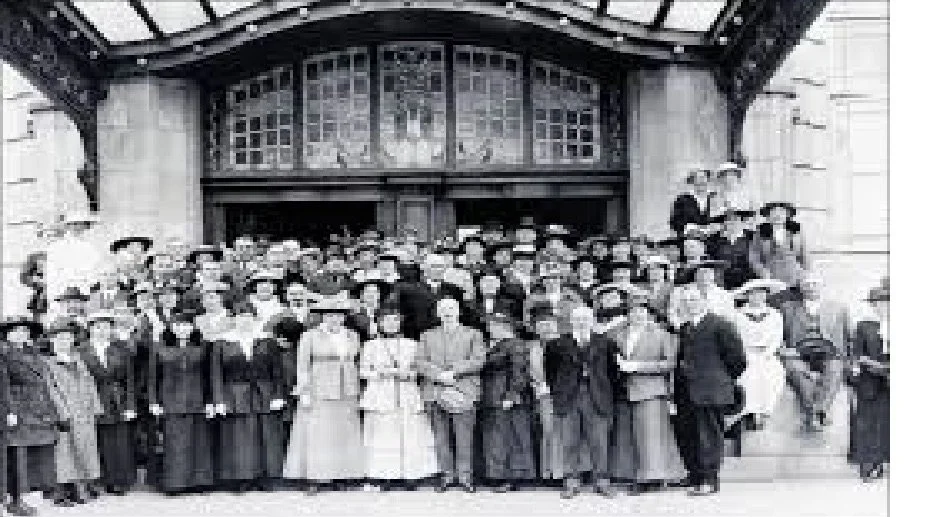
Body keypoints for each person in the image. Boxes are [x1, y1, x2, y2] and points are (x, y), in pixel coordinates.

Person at [283, 297, 364, 495]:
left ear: (343, 317)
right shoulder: (309, 336)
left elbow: (356, 362)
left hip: (347, 391)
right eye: (329, 315)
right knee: (318, 435)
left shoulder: (352, 335)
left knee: (344, 435)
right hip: (319, 390)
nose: (334, 319)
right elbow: (302, 366)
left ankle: (343, 475)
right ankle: (316, 478)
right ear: (322, 317)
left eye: (338, 315)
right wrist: (304, 391)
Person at [672, 287, 746, 496]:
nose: (690, 304)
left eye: (694, 300)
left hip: (711, 389)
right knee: (688, 434)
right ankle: (694, 475)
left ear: (704, 301)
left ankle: (709, 480)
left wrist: (720, 380)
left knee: (709, 436)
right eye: (686, 301)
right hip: (686, 391)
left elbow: (738, 360)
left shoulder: (721, 325)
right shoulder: (685, 327)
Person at [611, 292, 685, 494]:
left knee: (651, 437)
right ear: (627, 314)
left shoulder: (661, 334)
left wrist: (637, 366)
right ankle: (636, 475)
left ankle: (653, 478)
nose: (638, 314)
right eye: (633, 311)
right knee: (632, 437)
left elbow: (670, 363)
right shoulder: (618, 333)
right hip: (625, 391)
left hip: (651, 390)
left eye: (642, 311)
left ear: (649, 313)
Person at [358, 303, 438, 490]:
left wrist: (409, 373)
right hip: (381, 393)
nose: (392, 324)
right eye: (387, 320)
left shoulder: (412, 344)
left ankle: (411, 475)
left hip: (407, 392)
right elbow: (362, 371)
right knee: (384, 436)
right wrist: (380, 373)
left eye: (395, 320)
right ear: (379, 323)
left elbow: (420, 369)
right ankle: (385, 475)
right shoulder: (370, 345)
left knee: (410, 435)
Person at [211, 305, 287, 492]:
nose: (244, 320)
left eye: (248, 316)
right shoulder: (222, 343)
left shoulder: (267, 342)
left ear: (255, 319)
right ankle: (240, 479)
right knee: (238, 437)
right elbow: (216, 374)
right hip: (234, 394)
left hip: (264, 393)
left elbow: (277, 371)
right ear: (234, 319)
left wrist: (278, 395)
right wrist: (219, 400)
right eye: (240, 316)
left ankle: (264, 477)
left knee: (265, 435)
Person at [413, 297, 486, 493]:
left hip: (464, 390)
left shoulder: (473, 334)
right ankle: (447, 475)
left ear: (459, 311)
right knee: (441, 437)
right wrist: (438, 375)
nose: (447, 312)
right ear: (437, 313)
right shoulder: (427, 335)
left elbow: (478, 360)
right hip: (436, 390)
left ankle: (465, 477)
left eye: (451, 308)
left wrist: (453, 372)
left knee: (464, 437)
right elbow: (419, 361)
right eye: (443, 309)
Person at [544, 305, 616, 499]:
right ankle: (571, 481)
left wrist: (606, 393)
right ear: (571, 320)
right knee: (569, 441)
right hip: (568, 397)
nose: (582, 321)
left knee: (599, 441)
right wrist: (559, 392)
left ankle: (602, 481)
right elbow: (550, 372)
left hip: (597, 397)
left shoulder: (605, 342)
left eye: (586, 318)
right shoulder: (556, 344)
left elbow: (613, 373)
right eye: (578, 318)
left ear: (592, 320)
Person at [148, 311, 214, 495]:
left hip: (197, 401)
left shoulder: (203, 347)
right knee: (175, 445)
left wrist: (210, 402)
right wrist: (154, 402)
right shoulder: (159, 348)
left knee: (199, 444)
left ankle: (199, 483)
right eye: (178, 325)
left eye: (186, 325)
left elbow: (209, 377)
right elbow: (153, 378)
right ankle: (175, 484)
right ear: (171, 327)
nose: (182, 329)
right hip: (170, 402)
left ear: (192, 327)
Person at [1, 316, 60, 516]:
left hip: (36, 409)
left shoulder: (31, 352)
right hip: (16, 409)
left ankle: (21, 497)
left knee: (27, 456)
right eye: (16, 331)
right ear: (7, 334)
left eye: (25, 331)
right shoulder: (4, 353)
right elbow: (4, 385)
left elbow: (42, 383)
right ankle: (14, 500)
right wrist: (9, 411)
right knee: (15, 456)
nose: (21, 334)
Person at [43, 319, 103, 506]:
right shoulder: (48, 363)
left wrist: (95, 406)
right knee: (65, 452)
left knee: (85, 449)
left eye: (68, 338)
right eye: (59, 338)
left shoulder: (78, 359)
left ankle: (84, 485)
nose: (64, 341)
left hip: (84, 411)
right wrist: (62, 412)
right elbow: (50, 390)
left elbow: (90, 383)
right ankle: (63, 492)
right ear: (52, 340)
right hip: (67, 413)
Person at [780, 272, 851, 432]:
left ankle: (817, 411)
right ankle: (817, 412)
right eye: (807, 284)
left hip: (830, 353)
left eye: (815, 284)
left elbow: (848, 335)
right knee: (794, 368)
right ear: (801, 287)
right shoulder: (788, 308)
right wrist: (785, 350)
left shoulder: (839, 308)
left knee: (834, 368)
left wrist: (850, 360)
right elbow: (779, 336)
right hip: (799, 354)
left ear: (822, 286)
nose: (811, 288)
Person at [77, 312, 138, 495]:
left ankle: (120, 480)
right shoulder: (80, 351)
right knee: (97, 440)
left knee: (120, 441)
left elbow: (130, 379)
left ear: (111, 329)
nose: (102, 331)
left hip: (118, 399)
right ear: (90, 329)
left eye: (106, 326)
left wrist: (130, 405)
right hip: (92, 399)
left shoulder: (121, 349)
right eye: (97, 327)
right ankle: (98, 480)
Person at [479, 313, 536, 492]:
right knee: (498, 438)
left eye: (493, 325)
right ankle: (498, 475)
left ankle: (511, 478)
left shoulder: (516, 344)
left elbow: (520, 372)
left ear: (505, 327)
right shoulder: (497, 345)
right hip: (493, 397)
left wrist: (511, 396)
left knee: (511, 438)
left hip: (506, 398)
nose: (489, 328)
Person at [732, 279, 787, 430]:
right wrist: (746, 352)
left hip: (767, 354)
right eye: (754, 294)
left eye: (761, 294)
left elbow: (777, 336)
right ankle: (749, 412)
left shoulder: (775, 314)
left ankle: (763, 412)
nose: (758, 297)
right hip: (746, 354)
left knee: (773, 374)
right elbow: (735, 337)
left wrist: (768, 352)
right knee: (748, 376)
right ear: (747, 296)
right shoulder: (738, 315)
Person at [849, 284, 890, 482]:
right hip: (870, 380)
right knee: (867, 422)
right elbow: (857, 354)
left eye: (888, 302)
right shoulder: (864, 325)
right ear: (873, 305)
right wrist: (875, 364)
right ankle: (868, 464)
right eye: (880, 303)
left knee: (886, 422)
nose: (885, 307)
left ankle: (881, 462)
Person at [749, 202, 807, 293]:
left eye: (781, 212)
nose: (778, 215)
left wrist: (805, 274)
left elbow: (804, 255)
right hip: (772, 278)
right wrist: (763, 272)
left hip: (795, 278)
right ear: (768, 216)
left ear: (787, 215)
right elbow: (754, 258)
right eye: (774, 212)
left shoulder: (796, 232)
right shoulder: (760, 234)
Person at [669, 166, 715, 236]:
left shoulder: (715, 198)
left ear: (708, 180)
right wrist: (687, 228)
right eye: (697, 179)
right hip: (689, 240)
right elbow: (675, 223)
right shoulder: (682, 200)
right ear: (692, 182)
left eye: (703, 178)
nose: (701, 182)